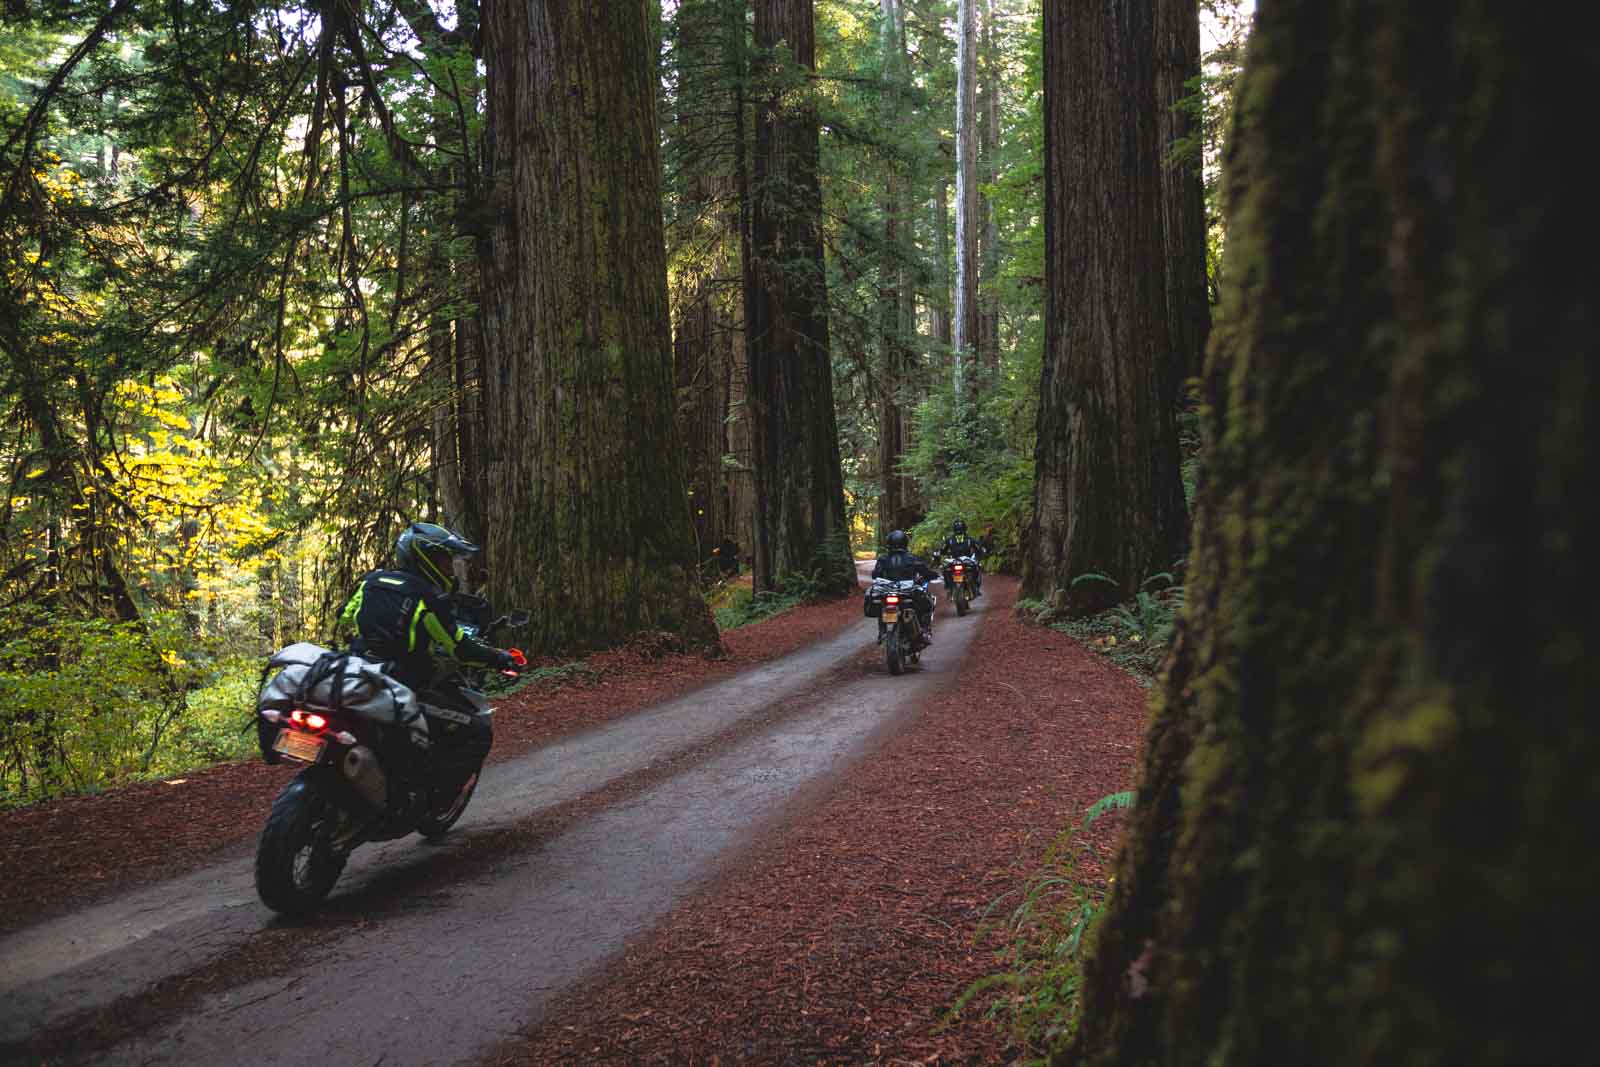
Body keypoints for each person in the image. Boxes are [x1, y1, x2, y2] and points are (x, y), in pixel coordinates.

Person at [339, 522, 521, 790]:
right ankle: (432, 792)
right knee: (478, 730)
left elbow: (345, 616)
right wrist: (502, 658)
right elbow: (460, 649)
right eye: (443, 559)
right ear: (423, 558)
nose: (449, 566)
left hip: (355, 671)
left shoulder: (371, 582)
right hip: (403, 682)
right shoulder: (427, 599)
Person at [871, 529, 939, 641]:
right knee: (927, 604)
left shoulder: (883, 559)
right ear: (905, 542)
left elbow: (875, 574)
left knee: (882, 606)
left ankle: (882, 631)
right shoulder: (911, 558)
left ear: (889, 543)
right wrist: (932, 575)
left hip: (888, 591)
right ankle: (924, 630)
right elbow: (925, 571)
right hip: (907, 592)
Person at [939, 519, 987, 598]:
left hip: (957, 561)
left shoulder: (950, 540)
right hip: (962, 561)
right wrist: (981, 552)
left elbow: (942, 550)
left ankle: (949, 587)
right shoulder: (969, 539)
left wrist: (939, 553)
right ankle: (951, 587)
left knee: (976, 567)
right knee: (945, 570)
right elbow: (978, 548)